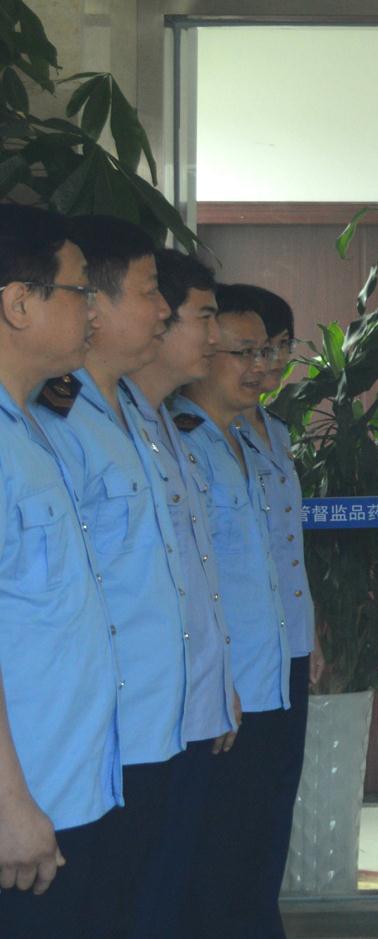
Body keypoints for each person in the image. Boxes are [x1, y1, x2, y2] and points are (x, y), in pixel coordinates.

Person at [34, 215, 184, 939]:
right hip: (94, 736)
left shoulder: (136, 413)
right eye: (150, 291)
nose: (164, 310)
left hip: (153, 724)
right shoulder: (54, 418)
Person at [0, 203, 123, 937]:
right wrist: (8, 801)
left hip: (68, 790)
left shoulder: (29, 429)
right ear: (19, 304)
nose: (93, 311)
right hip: (23, 810)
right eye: (79, 290)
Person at [126, 249, 240, 938]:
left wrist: (216, 686)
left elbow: (195, 580)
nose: (215, 337)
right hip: (135, 720)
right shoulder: (80, 421)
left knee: (170, 887)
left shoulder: (162, 422)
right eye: (205, 318)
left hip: (186, 708)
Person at [175, 306, 296, 938]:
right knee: (218, 854)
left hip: (268, 673)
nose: (259, 367)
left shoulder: (246, 438)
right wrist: (217, 677)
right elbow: (195, 580)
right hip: (226, 688)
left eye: (266, 352)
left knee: (260, 843)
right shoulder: (182, 441)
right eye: (242, 353)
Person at [223, 285, 317, 890]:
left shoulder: (275, 430)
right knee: (238, 809)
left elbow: (287, 547)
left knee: (277, 798)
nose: (268, 362)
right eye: (255, 349)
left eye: (279, 347)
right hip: (239, 655)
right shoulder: (199, 433)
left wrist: (309, 634)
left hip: (289, 643)